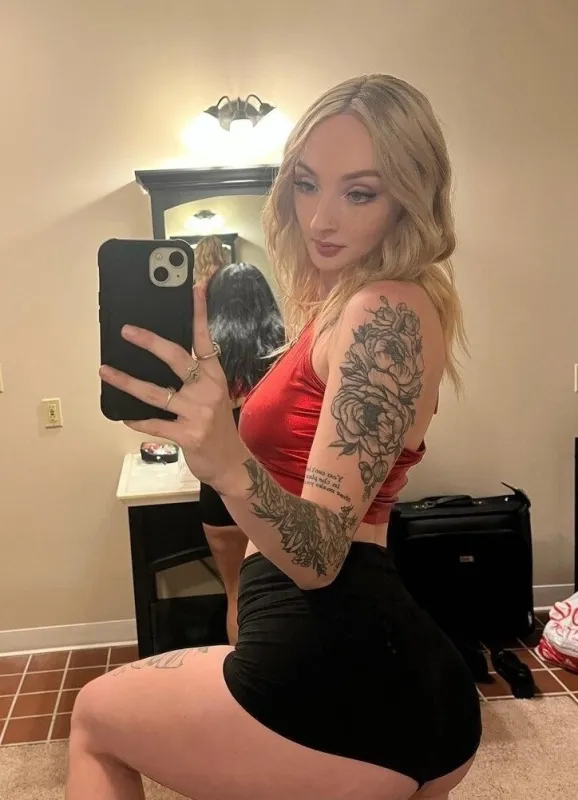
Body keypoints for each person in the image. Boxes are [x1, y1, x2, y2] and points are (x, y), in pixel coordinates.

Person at [71, 74, 482, 800]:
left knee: (94, 717)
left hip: (331, 659)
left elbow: (320, 557)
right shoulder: (349, 303)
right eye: (306, 184)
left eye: (360, 192)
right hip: (392, 661)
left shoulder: (382, 309)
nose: (321, 217)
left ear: (410, 197)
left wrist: (228, 460)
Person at [200, 262, 285, 644]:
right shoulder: (284, 351)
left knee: (236, 592)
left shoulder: (207, 358)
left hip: (219, 491)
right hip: (273, 484)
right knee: (280, 596)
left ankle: (242, 672)